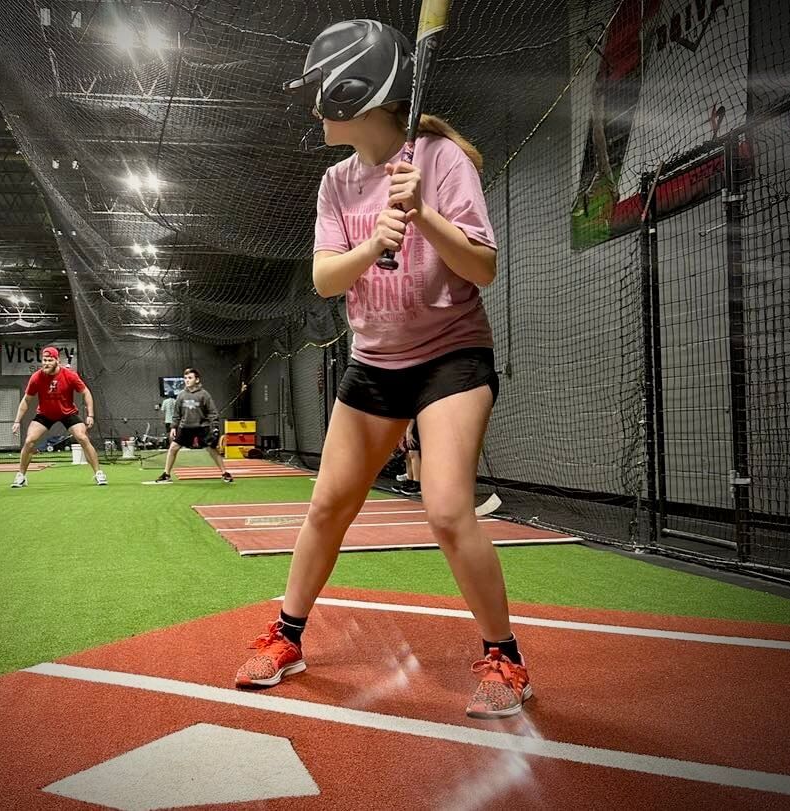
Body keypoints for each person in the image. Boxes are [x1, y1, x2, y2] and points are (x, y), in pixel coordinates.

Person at [234, 19, 530, 719]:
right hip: (374, 363)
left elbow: (483, 268)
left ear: (353, 94)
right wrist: (373, 244)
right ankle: (288, 636)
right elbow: (325, 279)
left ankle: (506, 658)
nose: (314, 108)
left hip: (451, 357)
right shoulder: (336, 183)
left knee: (447, 508)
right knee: (327, 505)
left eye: (322, 93)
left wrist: (423, 214)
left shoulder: (441, 160)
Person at [9, 346, 107, 488]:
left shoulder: (70, 376)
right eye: (44, 360)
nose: (46, 363)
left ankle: (99, 473)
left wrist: (90, 415)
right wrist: (17, 421)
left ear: (57, 361)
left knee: (83, 437)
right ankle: (21, 476)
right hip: (45, 414)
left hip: (68, 413)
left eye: (50, 360)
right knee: (29, 441)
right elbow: (26, 400)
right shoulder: (36, 377)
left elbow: (86, 392)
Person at [154, 367, 233, 484]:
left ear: (197, 380)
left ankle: (225, 473)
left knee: (212, 449)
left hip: (202, 427)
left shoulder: (204, 394)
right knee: (173, 448)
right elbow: (176, 414)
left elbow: (212, 412)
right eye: (185, 378)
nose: (187, 380)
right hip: (185, 427)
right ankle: (166, 474)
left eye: (190, 378)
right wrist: (173, 427)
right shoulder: (181, 395)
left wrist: (215, 427)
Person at [391, 419, 421, 497]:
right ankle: (409, 481)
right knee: (408, 455)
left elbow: (412, 415)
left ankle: (417, 483)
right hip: (409, 425)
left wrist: (409, 430)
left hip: (415, 425)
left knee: (413, 453)